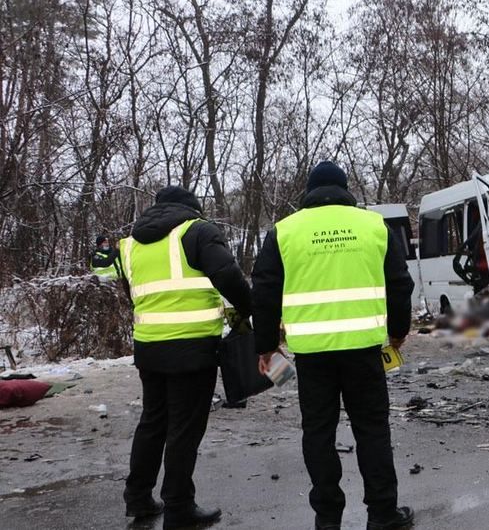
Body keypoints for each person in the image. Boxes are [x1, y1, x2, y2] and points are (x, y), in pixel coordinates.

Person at [252, 161, 415, 530]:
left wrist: (265, 347)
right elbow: (400, 283)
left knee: (319, 433)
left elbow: (263, 291)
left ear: (308, 192)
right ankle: (382, 514)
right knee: (372, 430)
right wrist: (398, 332)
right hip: (364, 352)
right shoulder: (374, 226)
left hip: (312, 356)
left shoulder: (285, 231)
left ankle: (327, 520)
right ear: (345, 189)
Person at [116, 186, 252, 529]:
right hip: (192, 350)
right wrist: (250, 311)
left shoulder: (129, 244)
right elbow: (228, 276)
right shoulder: (198, 231)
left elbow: (133, 295)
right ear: (192, 208)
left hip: (148, 346)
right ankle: (179, 506)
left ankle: (139, 498)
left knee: (153, 422)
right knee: (184, 428)